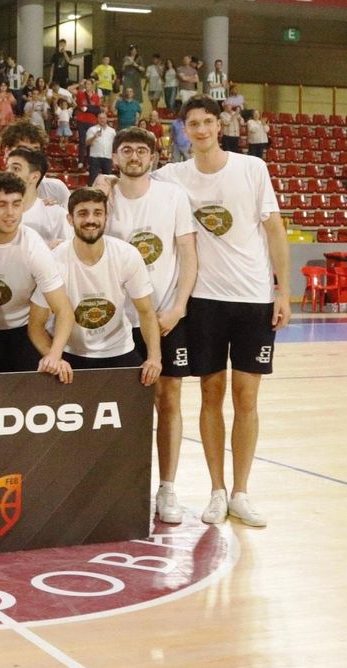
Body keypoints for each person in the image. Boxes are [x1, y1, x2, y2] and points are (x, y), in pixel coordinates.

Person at [151, 96, 289, 527]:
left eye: (208, 121)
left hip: (253, 300)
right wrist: (106, 186)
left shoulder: (252, 168)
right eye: (193, 123)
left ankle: (242, 493)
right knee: (211, 394)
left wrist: (282, 291)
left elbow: (274, 230)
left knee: (246, 397)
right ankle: (216, 490)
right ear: (184, 130)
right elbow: (131, 179)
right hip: (205, 301)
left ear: (220, 124)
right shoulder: (173, 176)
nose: (202, 129)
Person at [105, 126, 198, 524]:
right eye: (126, 150)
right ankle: (121, 486)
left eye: (142, 150)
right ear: (115, 158)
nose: (135, 156)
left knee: (168, 400)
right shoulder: (103, 199)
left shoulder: (172, 197)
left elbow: (189, 257)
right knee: (116, 408)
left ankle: (168, 488)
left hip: (164, 317)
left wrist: (178, 308)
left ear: (153, 157)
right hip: (114, 324)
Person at [28, 188, 161, 386]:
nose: (91, 219)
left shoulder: (126, 255)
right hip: (70, 353)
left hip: (119, 350)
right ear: (70, 219)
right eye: (83, 213)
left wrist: (154, 358)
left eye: (97, 213)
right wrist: (53, 357)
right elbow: (35, 325)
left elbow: (147, 312)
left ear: (106, 217)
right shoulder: (54, 261)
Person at [0, 172, 73, 378]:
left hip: (20, 329)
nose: (10, 212)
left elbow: (64, 310)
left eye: (16, 204)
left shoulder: (33, 246)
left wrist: (55, 355)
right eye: (1, 204)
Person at [4, 147, 72, 248]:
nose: (7, 173)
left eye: (16, 169)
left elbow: (73, 254)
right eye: (7, 168)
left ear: (34, 177)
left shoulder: (57, 215)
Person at [86, 110, 116, 186]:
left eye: (104, 118)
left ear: (107, 119)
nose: (102, 120)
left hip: (107, 157)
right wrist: (94, 136)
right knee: (93, 178)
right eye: (100, 118)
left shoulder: (112, 131)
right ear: (97, 119)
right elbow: (87, 143)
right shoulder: (92, 129)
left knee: (108, 179)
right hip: (95, 157)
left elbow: (115, 144)